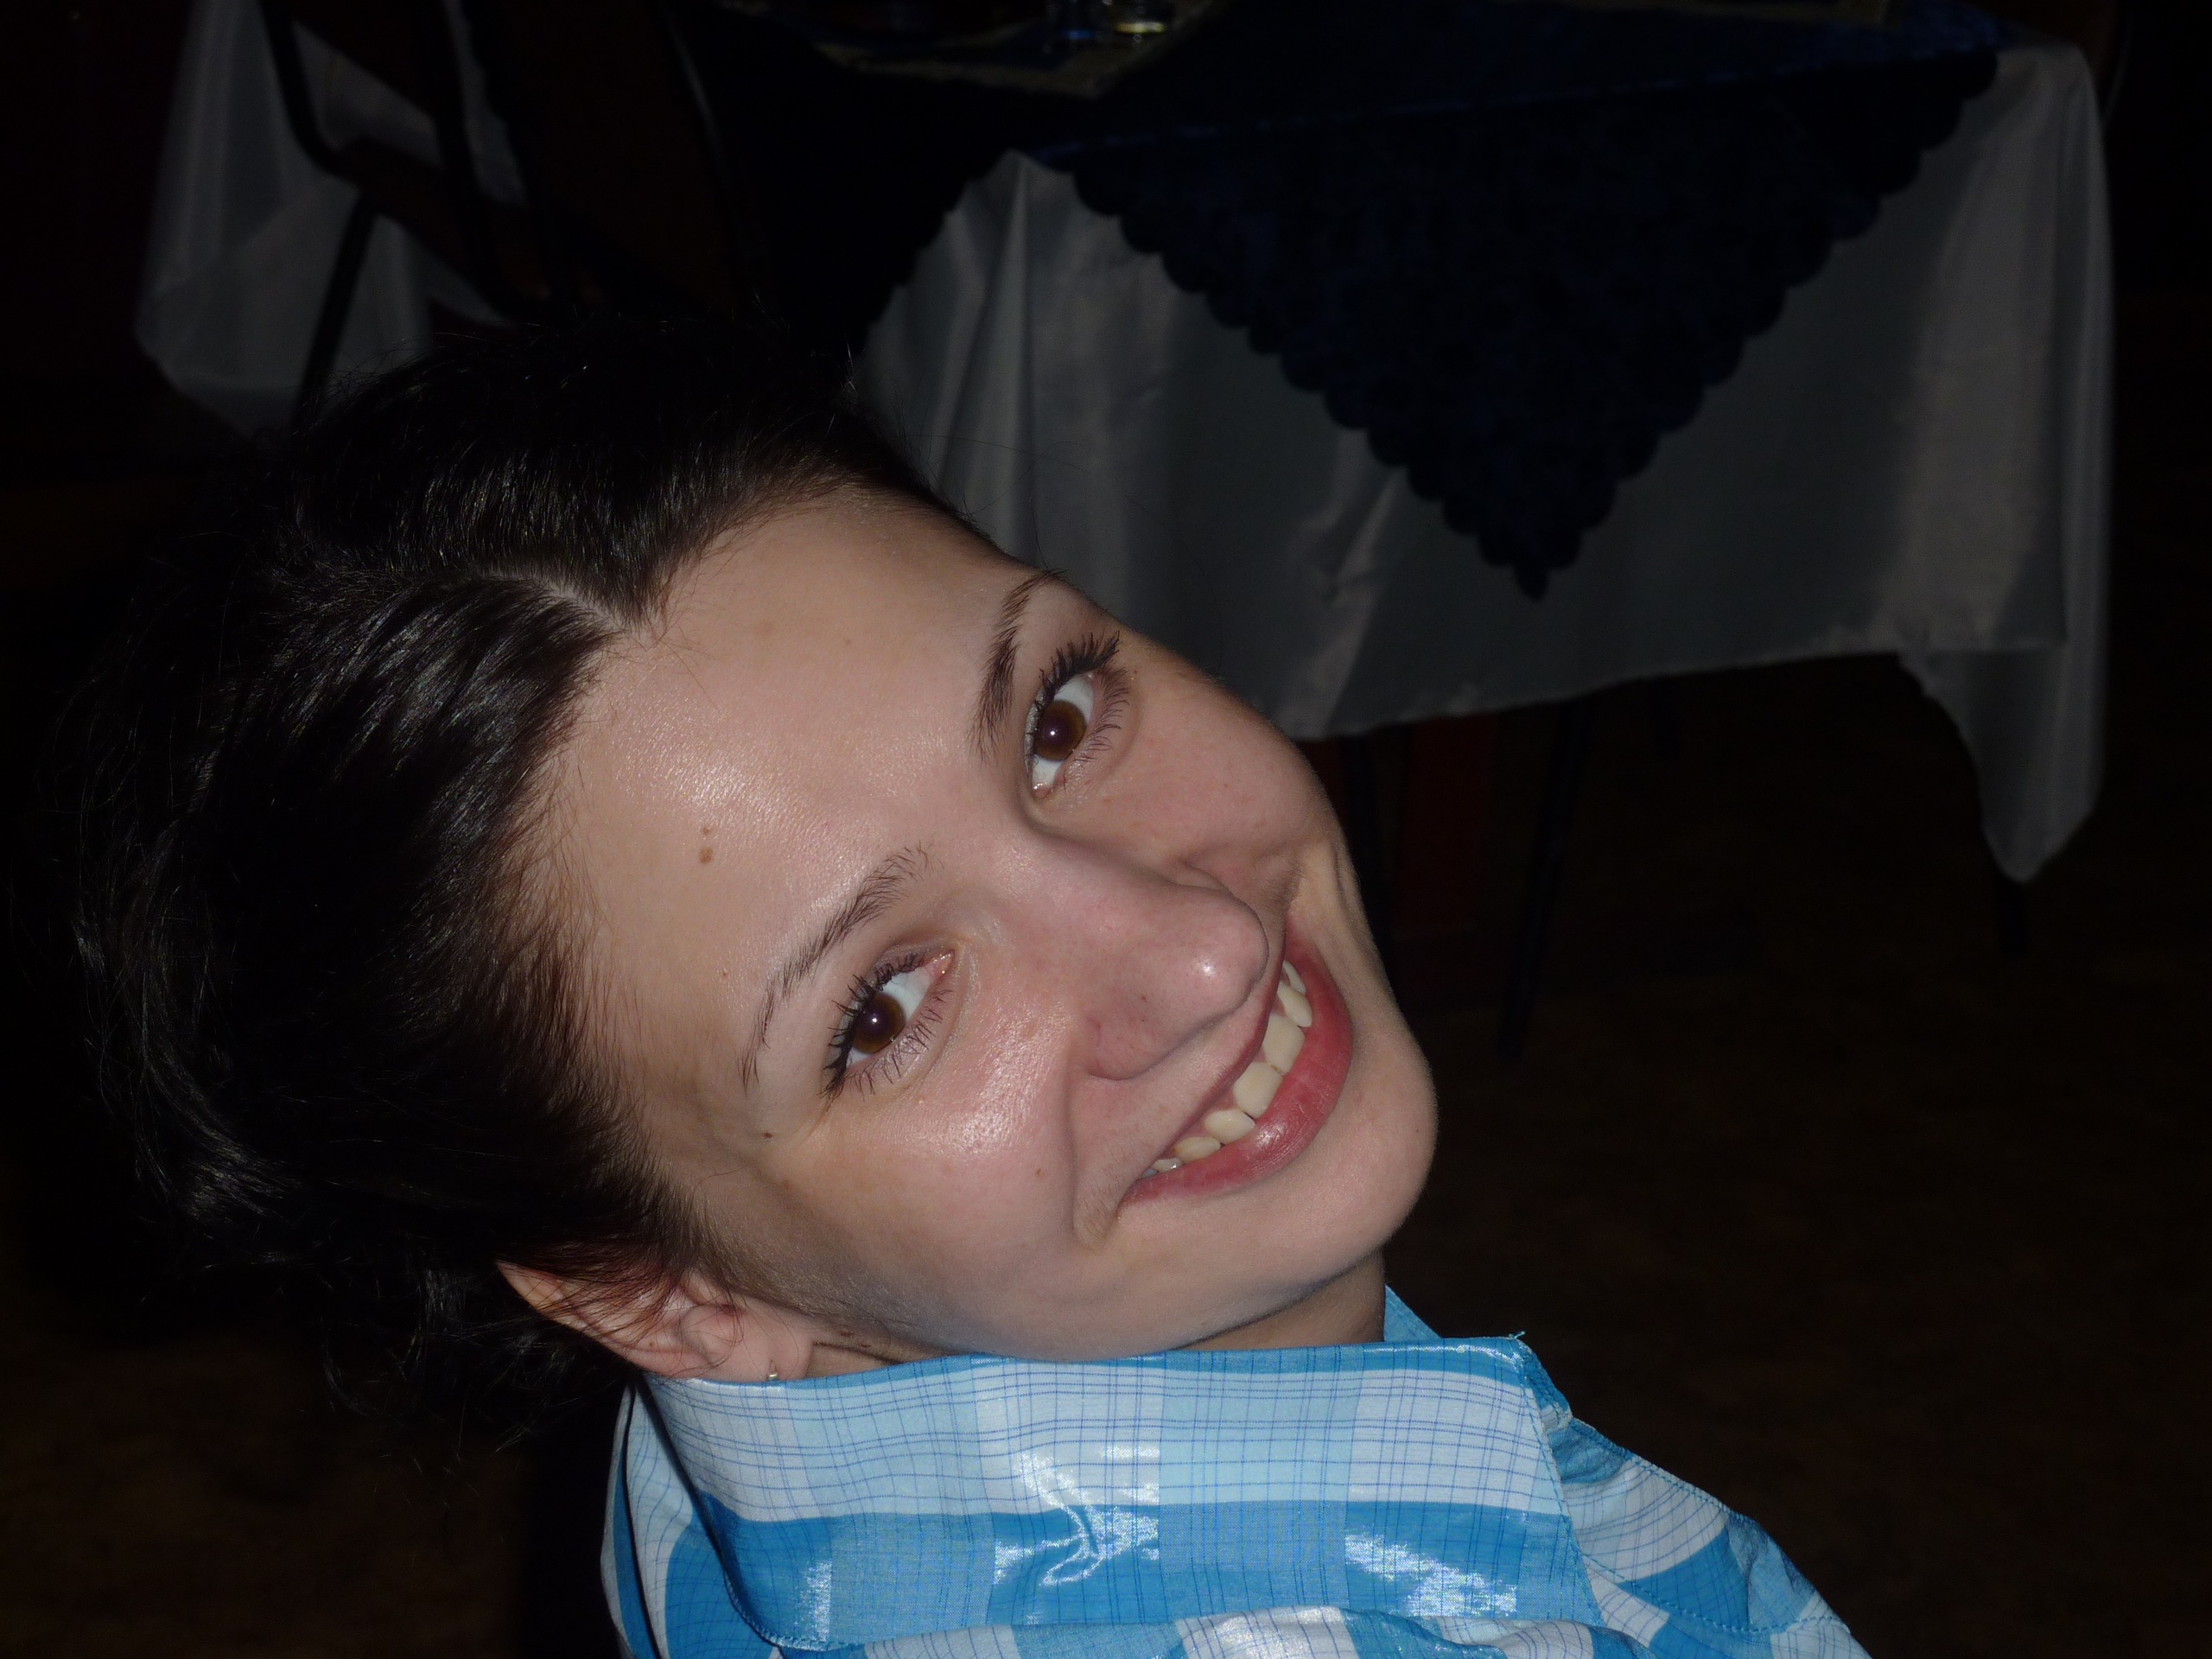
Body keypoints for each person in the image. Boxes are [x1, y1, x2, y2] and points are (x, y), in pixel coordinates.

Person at [73, 318, 1869, 1659]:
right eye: (880, 1008)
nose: (1202, 950)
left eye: (1055, 720)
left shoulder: (781, 1419)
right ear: (665, 1294)